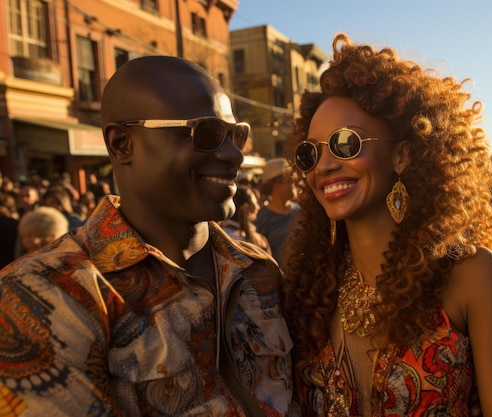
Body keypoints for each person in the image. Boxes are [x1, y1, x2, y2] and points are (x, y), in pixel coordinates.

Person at [0, 55, 296, 417]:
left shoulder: (259, 270)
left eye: (237, 135)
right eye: (206, 133)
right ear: (122, 143)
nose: (233, 154)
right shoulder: (43, 295)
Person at [281, 33, 492, 416]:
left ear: (401, 154)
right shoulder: (306, 287)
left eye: (345, 143)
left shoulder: (472, 274)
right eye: (309, 152)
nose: (324, 165)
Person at [254, 157, 299, 266]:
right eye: (290, 180)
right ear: (276, 184)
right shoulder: (263, 217)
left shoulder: (300, 211)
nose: (294, 185)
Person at [221, 185, 271, 254]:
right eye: (255, 202)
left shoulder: (221, 234)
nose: (258, 207)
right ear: (245, 206)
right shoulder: (260, 240)